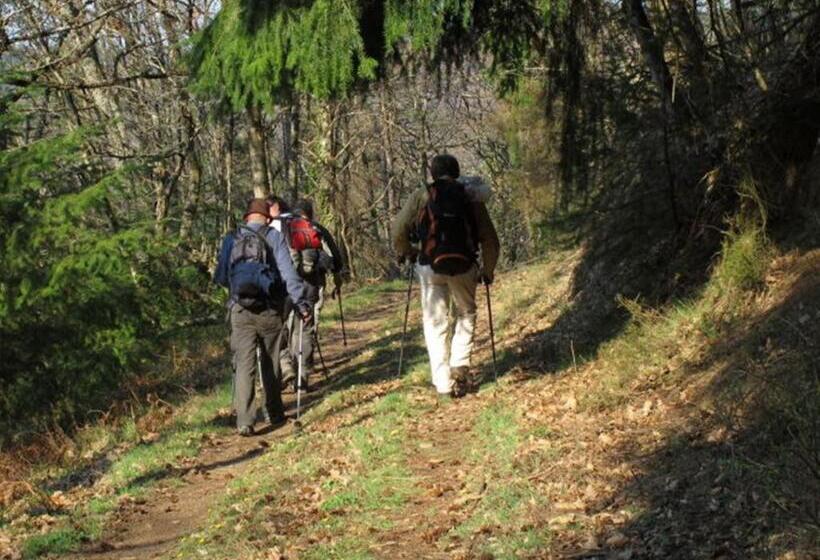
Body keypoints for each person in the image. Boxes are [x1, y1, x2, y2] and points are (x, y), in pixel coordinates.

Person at [391, 154, 500, 399]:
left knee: (434, 322)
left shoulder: (423, 195)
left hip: (430, 266)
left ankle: (443, 385)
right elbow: (490, 239)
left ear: (432, 173)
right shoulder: (470, 196)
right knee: (466, 312)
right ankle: (459, 364)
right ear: (458, 171)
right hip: (464, 265)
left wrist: (409, 252)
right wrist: (488, 270)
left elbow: (398, 230)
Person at [214, 198, 311, 436]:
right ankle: (274, 413)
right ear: (266, 217)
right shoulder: (273, 236)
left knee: (244, 364)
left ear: (247, 217)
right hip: (270, 309)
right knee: (271, 361)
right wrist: (301, 303)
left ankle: (245, 421)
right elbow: (288, 273)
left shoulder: (232, 238)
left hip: (240, 310)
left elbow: (221, 276)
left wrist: (240, 290)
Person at [276, 199, 346, 391]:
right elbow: (336, 258)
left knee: (280, 327)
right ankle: (302, 377)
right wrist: (337, 279)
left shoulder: (281, 228)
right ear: (310, 213)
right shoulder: (317, 229)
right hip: (311, 284)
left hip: (285, 286)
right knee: (305, 328)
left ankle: (285, 366)